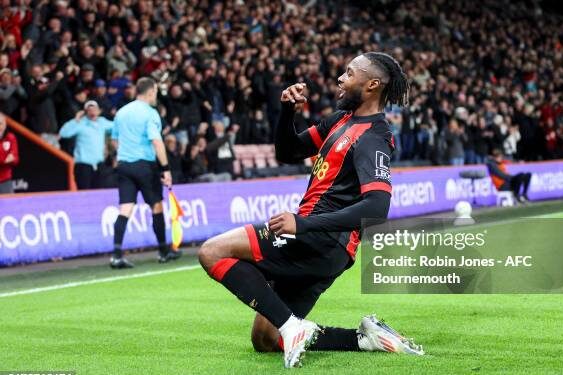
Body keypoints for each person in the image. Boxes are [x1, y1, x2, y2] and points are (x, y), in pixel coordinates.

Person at [197, 52, 424, 368]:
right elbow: (289, 151)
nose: (340, 79)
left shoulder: (374, 137)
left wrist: (301, 225)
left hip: (319, 240)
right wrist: (287, 112)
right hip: (326, 248)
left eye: (349, 73)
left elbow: (377, 206)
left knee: (212, 252)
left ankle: (293, 327)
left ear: (372, 84)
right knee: (264, 339)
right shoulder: (340, 120)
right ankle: (364, 338)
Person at [110, 77, 180, 269]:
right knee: (156, 206)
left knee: (125, 208)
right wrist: (166, 169)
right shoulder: (150, 113)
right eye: (156, 92)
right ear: (150, 92)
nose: (156, 96)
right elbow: (157, 142)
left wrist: (125, 152)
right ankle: (163, 252)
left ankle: (116, 255)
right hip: (144, 166)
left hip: (124, 164)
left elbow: (114, 140)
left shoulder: (122, 112)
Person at [58, 100, 114, 190]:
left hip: (99, 166)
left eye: (94, 109)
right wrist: (76, 119)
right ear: (85, 112)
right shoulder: (80, 123)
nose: (92, 112)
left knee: (99, 194)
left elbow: (117, 127)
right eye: (89, 110)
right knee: (85, 194)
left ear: (99, 111)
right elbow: (64, 133)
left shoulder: (102, 122)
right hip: (83, 167)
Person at [0, 113, 18, 194]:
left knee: (10, 205)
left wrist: (12, 158)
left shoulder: (10, 137)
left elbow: (15, 159)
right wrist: (5, 159)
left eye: (0, 123)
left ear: (5, 124)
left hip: (5, 180)